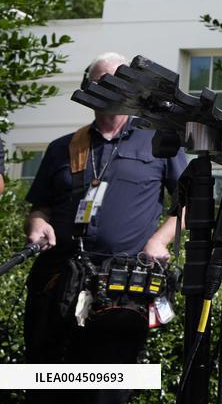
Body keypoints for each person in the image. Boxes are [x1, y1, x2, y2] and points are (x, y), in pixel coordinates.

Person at [23, 52, 187, 404]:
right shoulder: (62, 147)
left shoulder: (159, 140)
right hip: (58, 283)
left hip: (122, 288)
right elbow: (40, 207)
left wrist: (160, 240)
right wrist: (37, 226)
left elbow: (187, 204)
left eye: (117, 81)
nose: (108, 89)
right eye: (101, 82)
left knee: (107, 391)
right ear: (87, 88)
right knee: (45, 384)